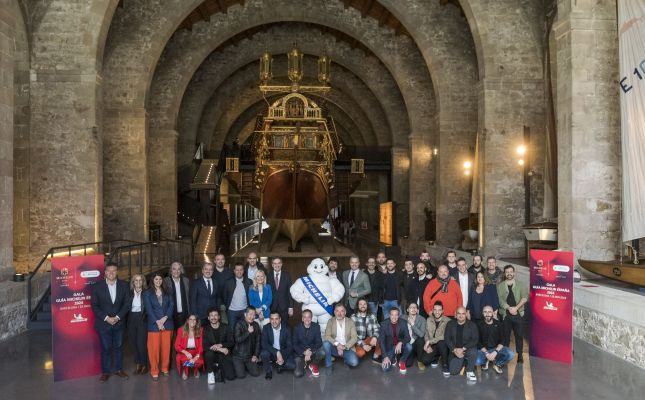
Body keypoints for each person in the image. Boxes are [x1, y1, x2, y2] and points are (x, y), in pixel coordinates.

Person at [91, 262, 130, 382]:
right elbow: (94, 305)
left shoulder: (124, 285)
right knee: (106, 348)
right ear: (105, 272)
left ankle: (118, 370)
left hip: (119, 322)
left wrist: (117, 317)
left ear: (117, 272)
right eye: (109, 271)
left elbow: (127, 304)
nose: (111, 273)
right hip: (104, 323)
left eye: (114, 270)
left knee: (118, 346)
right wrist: (107, 318)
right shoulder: (97, 286)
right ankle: (105, 372)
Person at [144, 272, 174, 381]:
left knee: (166, 348)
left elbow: (171, 305)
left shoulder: (168, 291)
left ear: (163, 280)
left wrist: (165, 318)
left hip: (167, 323)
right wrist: (158, 322)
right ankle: (154, 370)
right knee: (154, 349)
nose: (158, 281)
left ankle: (165, 368)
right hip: (154, 325)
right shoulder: (147, 293)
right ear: (152, 280)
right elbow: (148, 309)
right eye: (156, 279)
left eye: (160, 279)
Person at [497, 264, 528, 363]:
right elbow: (500, 300)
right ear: (505, 274)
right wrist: (508, 308)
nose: (509, 274)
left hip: (518, 313)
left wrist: (516, 308)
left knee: (519, 335)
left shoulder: (521, 284)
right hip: (506, 314)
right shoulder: (500, 286)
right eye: (507, 272)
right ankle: (506, 354)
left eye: (511, 272)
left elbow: (524, 298)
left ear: (514, 273)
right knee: (505, 336)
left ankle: (520, 355)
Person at [476, 306, 514, 374]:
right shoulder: (478, 324)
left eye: (489, 312)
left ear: (493, 313)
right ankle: (486, 361)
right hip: (483, 350)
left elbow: (503, 340)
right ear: (482, 313)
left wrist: (495, 352)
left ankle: (497, 364)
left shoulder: (499, 324)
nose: (487, 314)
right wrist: (487, 353)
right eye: (485, 312)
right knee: (477, 361)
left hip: (495, 349)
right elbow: (478, 341)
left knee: (511, 354)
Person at [323, 303, 359, 374]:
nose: (339, 313)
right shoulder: (331, 321)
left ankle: (345, 358)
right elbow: (327, 336)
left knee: (354, 363)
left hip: (346, 348)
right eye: (337, 311)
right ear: (334, 312)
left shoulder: (350, 322)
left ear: (345, 312)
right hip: (334, 347)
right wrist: (338, 344)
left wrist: (344, 347)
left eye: (342, 311)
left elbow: (354, 338)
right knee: (326, 344)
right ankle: (328, 365)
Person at [444, 306, 479, 382]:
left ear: (466, 314)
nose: (461, 316)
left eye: (463, 313)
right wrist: (454, 350)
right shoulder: (450, 324)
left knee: (473, 352)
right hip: (454, 350)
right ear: (455, 314)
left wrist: (463, 348)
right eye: (459, 313)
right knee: (453, 372)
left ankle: (469, 371)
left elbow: (475, 340)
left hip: (467, 349)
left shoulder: (472, 325)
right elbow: (447, 338)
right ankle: (465, 362)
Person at [203, 307, 236, 384]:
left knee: (231, 377)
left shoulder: (226, 327)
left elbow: (231, 342)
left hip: (224, 354)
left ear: (219, 317)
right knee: (208, 354)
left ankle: (218, 366)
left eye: (215, 315)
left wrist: (221, 345)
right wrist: (220, 349)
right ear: (208, 318)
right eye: (211, 315)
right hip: (213, 354)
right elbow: (205, 346)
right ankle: (210, 372)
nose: (213, 317)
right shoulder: (206, 329)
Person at [260, 313, 296, 380]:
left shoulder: (287, 329)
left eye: (276, 319)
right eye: (272, 319)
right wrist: (276, 352)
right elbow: (264, 343)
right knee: (263, 353)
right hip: (271, 352)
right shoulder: (266, 328)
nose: (274, 321)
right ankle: (268, 371)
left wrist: (282, 357)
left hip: (283, 352)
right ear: (270, 320)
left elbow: (290, 346)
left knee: (292, 366)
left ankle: (278, 363)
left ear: (280, 319)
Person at [419, 301, 451, 376]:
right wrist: (428, 344)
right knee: (424, 361)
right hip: (433, 345)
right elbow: (426, 334)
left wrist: (430, 341)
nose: (437, 312)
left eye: (439, 310)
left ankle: (445, 364)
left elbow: (445, 336)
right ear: (433, 310)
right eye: (435, 310)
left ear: (442, 311)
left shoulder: (448, 321)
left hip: (443, 345)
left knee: (441, 342)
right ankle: (436, 357)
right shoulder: (428, 319)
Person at [292, 309, 325, 378]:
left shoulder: (316, 326)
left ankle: (312, 364)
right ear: (302, 318)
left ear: (311, 318)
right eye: (305, 317)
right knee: (298, 374)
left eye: (309, 317)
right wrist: (304, 352)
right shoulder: (296, 328)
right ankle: (304, 363)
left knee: (322, 352)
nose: (307, 319)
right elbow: (294, 344)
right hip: (300, 353)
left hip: (311, 351)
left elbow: (319, 342)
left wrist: (310, 351)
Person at [378, 307, 412, 374]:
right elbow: (381, 341)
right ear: (389, 315)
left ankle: (402, 361)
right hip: (390, 347)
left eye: (396, 315)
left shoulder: (403, 322)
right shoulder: (384, 324)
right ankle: (393, 358)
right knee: (385, 369)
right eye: (392, 315)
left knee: (409, 346)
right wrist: (385, 356)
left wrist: (400, 342)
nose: (394, 317)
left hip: (400, 346)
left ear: (398, 315)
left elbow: (408, 337)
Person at [232, 307, 262, 378]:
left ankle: (245, 366)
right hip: (238, 356)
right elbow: (237, 340)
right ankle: (239, 365)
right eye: (250, 314)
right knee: (241, 376)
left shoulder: (256, 325)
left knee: (256, 373)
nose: (252, 317)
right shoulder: (238, 324)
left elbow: (258, 342)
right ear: (245, 314)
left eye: (254, 315)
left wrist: (255, 355)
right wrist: (248, 332)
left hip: (249, 356)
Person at [128, 274, 148, 375]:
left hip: (142, 318)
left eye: (140, 280)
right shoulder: (129, 293)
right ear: (133, 282)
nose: (138, 282)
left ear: (143, 282)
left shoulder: (147, 292)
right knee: (134, 344)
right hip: (131, 318)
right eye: (136, 280)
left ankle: (144, 364)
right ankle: (137, 365)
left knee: (141, 344)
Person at [223, 262, 252, 330]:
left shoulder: (249, 282)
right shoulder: (228, 282)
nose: (239, 272)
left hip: (244, 311)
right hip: (232, 312)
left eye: (241, 270)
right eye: (237, 270)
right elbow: (224, 296)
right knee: (232, 330)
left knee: (244, 329)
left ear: (243, 271)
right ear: (234, 271)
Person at [174, 314, 204, 380]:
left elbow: (201, 346)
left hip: (196, 352)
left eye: (194, 320)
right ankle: (185, 370)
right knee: (185, 360)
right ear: (187, 321)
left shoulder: (200, 330)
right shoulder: (181, 330)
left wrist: (196, 357)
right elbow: (176, 346)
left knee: (198, 362)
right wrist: (186, 353)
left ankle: (196, 369)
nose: (192, 321)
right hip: (185, 351)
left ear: (196, 321)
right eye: (190, 319)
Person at [163, 261, 191, 329]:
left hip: (184, 313)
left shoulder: (186, 281)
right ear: (171, 271)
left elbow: (189, 297)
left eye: (179, 269)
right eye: (174, 269)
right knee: (172, 337)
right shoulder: (165, 281)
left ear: (181, 271)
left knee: (184, 335)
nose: (176, 271)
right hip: (170, 315)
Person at [190, 262, 219, 326]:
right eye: (206, 269)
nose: (208, 271)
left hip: (213, 316)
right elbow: (193, 301)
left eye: (210, 269)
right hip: (200, 316)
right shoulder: (196, 283)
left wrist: (217, 312)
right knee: (200, 334)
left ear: (212, 271)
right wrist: (195, 316)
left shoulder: (216, 282)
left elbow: (217, 298)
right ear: (202, 271)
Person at [267, 257, 293, 325]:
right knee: (273, 326)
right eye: (275, 263)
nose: (277, 265)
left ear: (281, 264)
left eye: (279, 263)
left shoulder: (287, 275)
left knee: (284, 326)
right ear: (272, 265)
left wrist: (291, 307)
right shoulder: (268, 276)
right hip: (272, 306)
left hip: (284, 306)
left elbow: (290, 292)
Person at [402, 303, 426, 369]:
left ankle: (419, 360)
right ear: (407, 309)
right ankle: (410, 354)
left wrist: (413, 325)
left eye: (415, 307)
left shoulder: (422, 319)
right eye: (411, 307)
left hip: (416, 342)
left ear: (417, 310)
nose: (413, 309)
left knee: (420, 340)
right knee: (408, 364)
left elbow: (421, 334)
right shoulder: (403, 318)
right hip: (407, 343)